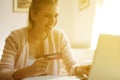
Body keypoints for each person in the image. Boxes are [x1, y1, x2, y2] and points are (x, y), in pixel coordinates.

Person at [0, 0, 90, 80]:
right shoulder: (15, 37)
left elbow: (71, 66)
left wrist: (81, 69)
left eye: (56, 15)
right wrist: (28, 71)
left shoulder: (59, 36)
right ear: (33, 15)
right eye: (47, 16)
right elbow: (2, 74)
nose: (53, 21)